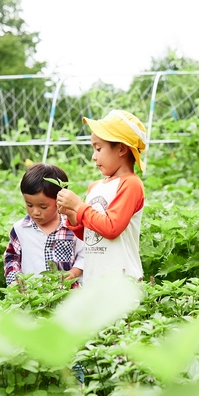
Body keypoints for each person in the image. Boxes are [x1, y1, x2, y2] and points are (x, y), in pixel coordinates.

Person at [56, 109, 146, 283]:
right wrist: (72, 215)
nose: (93, 156)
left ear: (121, 149)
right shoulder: (95, 187)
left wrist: (79, 206)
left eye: (98, 149)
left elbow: (112, 228)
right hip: (94, 279)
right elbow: (91, 236)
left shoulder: (131, 184)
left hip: (121, 282)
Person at [3, 163, 84, 287]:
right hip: (32, 295)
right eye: (29, 205)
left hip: (67, 294)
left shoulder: (72, 226)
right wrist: (16, 282)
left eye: (43, 207)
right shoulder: (20, 229)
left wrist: (74, 273)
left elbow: (84, 255)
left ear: (59, 201)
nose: (35, 212)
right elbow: (12, 258)